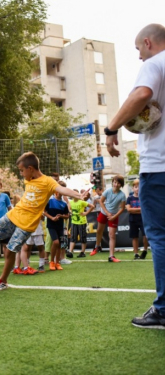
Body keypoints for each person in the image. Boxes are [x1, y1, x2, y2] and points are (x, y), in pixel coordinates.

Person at [104, 24, 165, 328]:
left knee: (161, 237)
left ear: (147, 42)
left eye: (138, 50)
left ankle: (164, 309)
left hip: (159, 166)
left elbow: (142, 94)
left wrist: (112, 127)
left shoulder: (155, 63)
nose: (139, 57)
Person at [0, 152, 87, 291]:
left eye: (22, 170)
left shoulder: (48, 181)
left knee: (10, 251)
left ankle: (3, 281)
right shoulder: (28, 179)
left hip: (27, 224)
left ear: (30, 168)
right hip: (14, 214)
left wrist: (78, 195)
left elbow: (62, 189)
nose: (21, 174)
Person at [90, 175, 126, 262]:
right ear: (113, 182)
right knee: (99, 231)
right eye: (114, 182)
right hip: (104, 213)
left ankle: (111, 256)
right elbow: (101, 201)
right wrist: (107, 213)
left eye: (118, 183)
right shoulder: (108, 191)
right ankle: (97, 246)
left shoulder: (122, 195)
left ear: (121, 185)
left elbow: (122, 208)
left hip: (114, 215)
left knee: (112, 235)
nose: (116, 184)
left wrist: (114, 216)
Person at [44, 181, 71, 271]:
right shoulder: (50, 201)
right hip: (51, 225)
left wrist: (62, 216)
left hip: (60, 226)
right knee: (55, 242)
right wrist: (52, 218)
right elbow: (44, 212)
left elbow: (67, 216)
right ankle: (51, 262)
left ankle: (57, 263)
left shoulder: (64, 204)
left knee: (60, 245)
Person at [126, 179, 149, 260]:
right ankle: (136, 253)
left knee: (145, 235)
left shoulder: (144, 197)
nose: (137, 188)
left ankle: (145, 250)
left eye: (139, 187)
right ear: (133, 188)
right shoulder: (129, 198)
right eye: (136, 187)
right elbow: (128, 209)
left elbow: (146, 208)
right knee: (134, 237)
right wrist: (140, 210)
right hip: (133, 219)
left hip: (143, 219)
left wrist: (135, 210)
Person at [69, 189, 95, 258]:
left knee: (83, 237)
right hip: (74, 222)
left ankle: (82, 252)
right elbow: (69, 209)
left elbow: (92, 206)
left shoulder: (81, 202)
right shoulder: (70, 202)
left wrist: (86, 213)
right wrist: (70, 212)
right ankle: (70, 251)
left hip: (82, 222)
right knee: (73, 237)